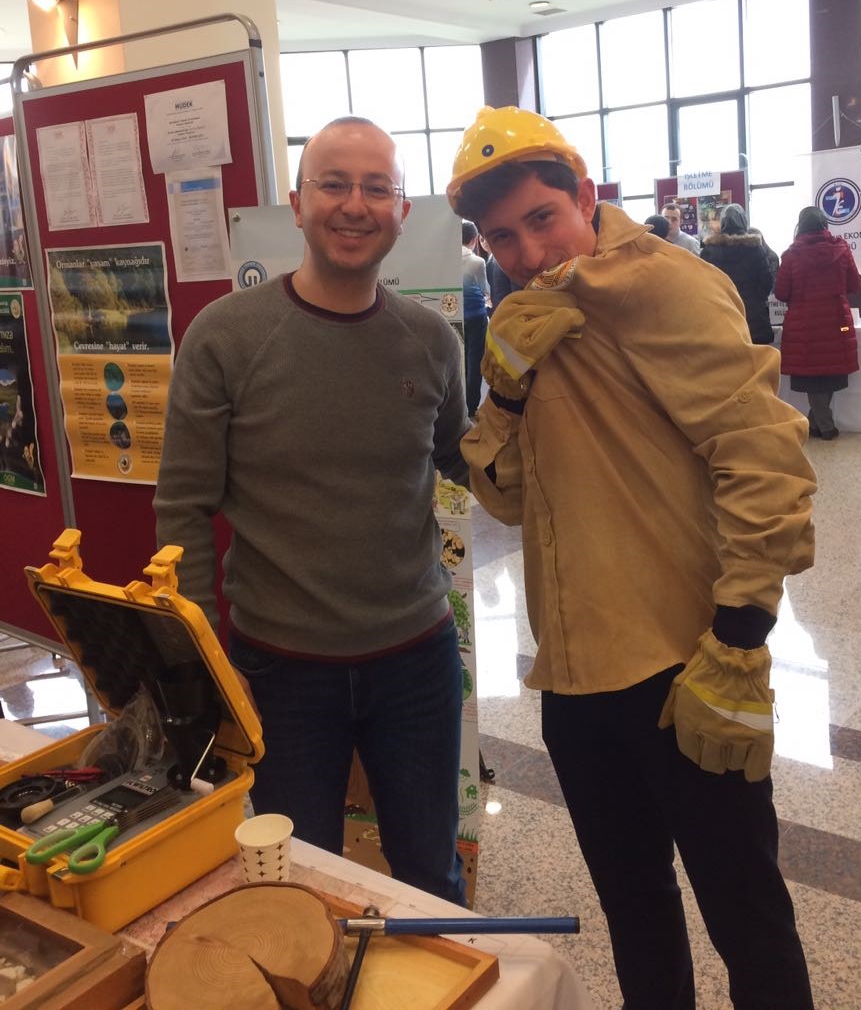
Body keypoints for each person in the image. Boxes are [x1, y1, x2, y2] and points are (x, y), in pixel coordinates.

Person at [447, 105, 817, 1010]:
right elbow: (506, 499)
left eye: (542, 218)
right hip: (575, 681)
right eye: (502, 237)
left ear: (585, 196)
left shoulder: (667, 285)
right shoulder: (527, 314)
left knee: (747, 914)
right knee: (635, 910)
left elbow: (762, 457)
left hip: (684, 668)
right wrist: (505, 393)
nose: (527, 252)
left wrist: (740, 638)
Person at [155, 115, 470, 904]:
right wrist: (203, 660)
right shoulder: (225, 336)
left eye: (377, 188)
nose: (355, 205)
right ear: (297, 205)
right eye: (333, 184)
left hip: (416, 659)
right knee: (300, 881)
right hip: (279, 669)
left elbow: (466, 459)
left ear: (403, 212)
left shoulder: (432, 341)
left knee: (431, 872)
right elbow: (184, 506)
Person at [775, 207, 861, 440]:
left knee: (812, 373)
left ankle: (823, 425)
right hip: (837, 321)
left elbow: (781, 292)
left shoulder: (791, 255)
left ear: (800, 226)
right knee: (832, 369)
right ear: (825, 224)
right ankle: (821, 423)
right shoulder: (842, 249)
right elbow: (854, 285)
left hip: (803, 323)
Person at [700, 203, 778, 344]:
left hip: (721, 317)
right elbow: (766, 283)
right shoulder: (755, 249)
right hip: (753, 318)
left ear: (722, 223)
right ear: (744, 222)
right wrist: (755, 300)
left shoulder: (709, 251)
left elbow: (703, 287)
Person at [461, 219, 490, 416]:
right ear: (473, 240)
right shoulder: (477, 262)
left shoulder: (447, 259)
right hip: (477, 316)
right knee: (475, 361)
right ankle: (471, 408)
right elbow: (484, 289)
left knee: (461, 360)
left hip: (457, 315)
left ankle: (460, 405)